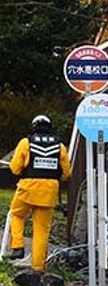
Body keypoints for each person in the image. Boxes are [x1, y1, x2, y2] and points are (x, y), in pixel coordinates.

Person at [7, 115, 71, 270]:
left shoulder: (26, 143)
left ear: (34, 126)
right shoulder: (60, 146)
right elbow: (66, 173)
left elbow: (15, 168)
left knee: (16, 214)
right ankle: (38, 268)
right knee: (42, 230)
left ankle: (17, 246)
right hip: (49, 191)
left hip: (27, 188)